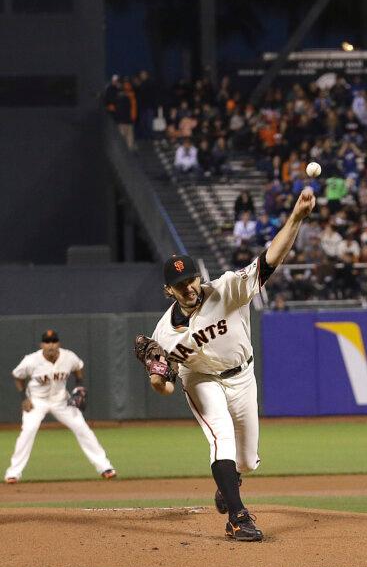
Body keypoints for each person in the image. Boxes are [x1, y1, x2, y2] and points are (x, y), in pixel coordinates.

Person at [137, 187, 316, 542]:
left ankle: (228, 483)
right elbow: (166, 385)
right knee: (220, 436)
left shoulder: (227, 289)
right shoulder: (164, 333)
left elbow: (269, 260)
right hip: (201, 378)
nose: (187, 287)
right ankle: (238, 517)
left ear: (198, 276)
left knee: (246, 461)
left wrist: (295, 218)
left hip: (242, 375)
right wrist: (157, 378)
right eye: (178, 285)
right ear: (168, 291)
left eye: (190, 279)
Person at [4, 331, 116, 483]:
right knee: (28, 431)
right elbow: (17, 375)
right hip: (37, 401)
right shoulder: (31, 360)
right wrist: (24, 398)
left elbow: (78, 368)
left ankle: (105, 467)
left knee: (82, 428)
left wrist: (79, 387)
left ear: (59, 344)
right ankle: (13, 473)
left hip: (61, 400)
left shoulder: (69, 357)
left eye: (54, 341)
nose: (50, 344)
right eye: (47, 341)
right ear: (41, 345)